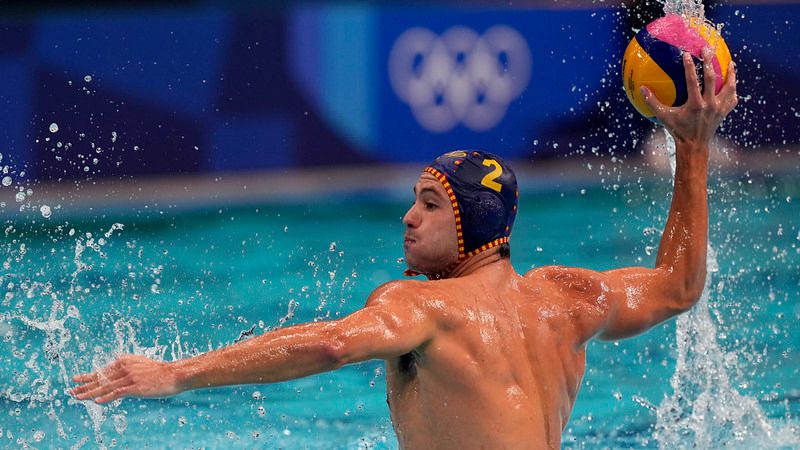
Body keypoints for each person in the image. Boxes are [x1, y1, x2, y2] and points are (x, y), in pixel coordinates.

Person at [71, 51, 737, 449]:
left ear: (473, 223)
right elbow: (678, 286)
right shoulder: (566, 298)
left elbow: (332, 343)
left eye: (429, 203)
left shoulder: (423, 307)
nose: (408, 217)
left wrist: (177, 373)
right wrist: (694, 148)